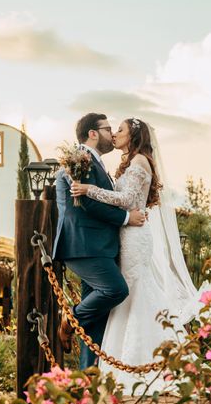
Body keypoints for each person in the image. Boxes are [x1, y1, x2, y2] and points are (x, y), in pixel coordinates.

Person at [70, 117, 207, 393]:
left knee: (136, 291)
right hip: (127, 234)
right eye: (113, 129)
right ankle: (122, 362)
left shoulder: (140, 162)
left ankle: (143, 363)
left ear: (133, 136)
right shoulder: (130, 163)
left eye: (120, 130)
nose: (115, 134)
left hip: (134, 236)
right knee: (130, 295)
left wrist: (88, 189)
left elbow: (126, 200)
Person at [52, 112, 146, 370]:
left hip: (96, 246)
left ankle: (88, 373)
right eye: (107, 129)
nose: (112, 134)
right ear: (93, 133)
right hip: (84, 245)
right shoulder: (78, 161)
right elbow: (87, 204)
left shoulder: (94, 162)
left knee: (96, 316)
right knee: (115, 290)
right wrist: (127, 217)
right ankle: (70, 320)